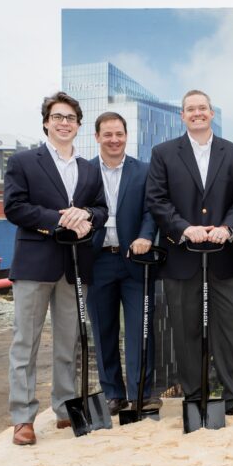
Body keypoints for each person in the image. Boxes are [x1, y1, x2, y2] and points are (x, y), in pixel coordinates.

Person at [146, 90, 233, 417]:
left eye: (202, 108)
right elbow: (157, 199)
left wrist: (228, 228)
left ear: (211, 114)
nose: (197, 113)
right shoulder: (163, 153)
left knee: (230, 331)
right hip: (182, 257)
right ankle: (195, 400)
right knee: (186, 332)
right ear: (182, 115)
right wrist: (184, 228)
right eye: (190, 109)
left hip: (225, 257)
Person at [4, 91, 107, 445]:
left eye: (70, 118)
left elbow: (101, 209)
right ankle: (23, 417)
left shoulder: (89, 168)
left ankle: (65, 408)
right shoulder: (23, 162)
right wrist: (61, 219)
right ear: (47, 122)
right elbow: (15, 207)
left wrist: (87, 215)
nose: (64, 123)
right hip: (34, 265)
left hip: (75, 265)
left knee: (69, 342)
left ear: (78, 125)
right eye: (58, 117)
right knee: (25, 343)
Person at [86, 112, 160, 416]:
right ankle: (113, 394)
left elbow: (152, 210)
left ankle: (141, 393)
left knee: (140, 329)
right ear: (97, 137)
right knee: (103, 330)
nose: (114, 140)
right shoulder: (85, 171)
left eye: (119, 134)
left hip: (136, 260)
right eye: (108, 134)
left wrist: (146, 236)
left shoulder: (144, 171)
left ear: (126, 136)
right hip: (98, 259)